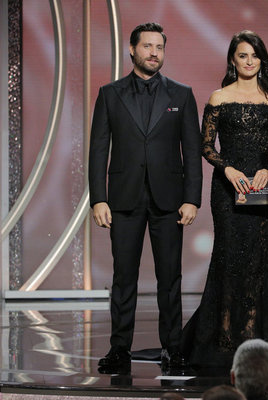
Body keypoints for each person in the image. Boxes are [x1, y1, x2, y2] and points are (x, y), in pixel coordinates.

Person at [181, 30, 268, 368]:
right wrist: (227, 170)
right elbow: (205, 145)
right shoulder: (218, 97)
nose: (249, 61)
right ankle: (226, 337)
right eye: (243, 55)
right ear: (232, 59)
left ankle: (253, 334)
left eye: (255, 55)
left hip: (260, 188)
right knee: (228, 259)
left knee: (259, 261)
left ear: (262, 59)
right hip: (228, 190)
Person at [89, 22, 202, 373]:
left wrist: (192, 198)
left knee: (171, 277)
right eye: (148, 46)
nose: (154, 52)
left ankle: (173, 348)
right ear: (133, 50)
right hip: (123, 199)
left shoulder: (182, 94)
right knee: (124, 277)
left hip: (169, 200)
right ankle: (119, 349)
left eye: (159, 47)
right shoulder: (110, 93)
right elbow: (98, 150)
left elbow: (193, 152)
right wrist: (99, 198)